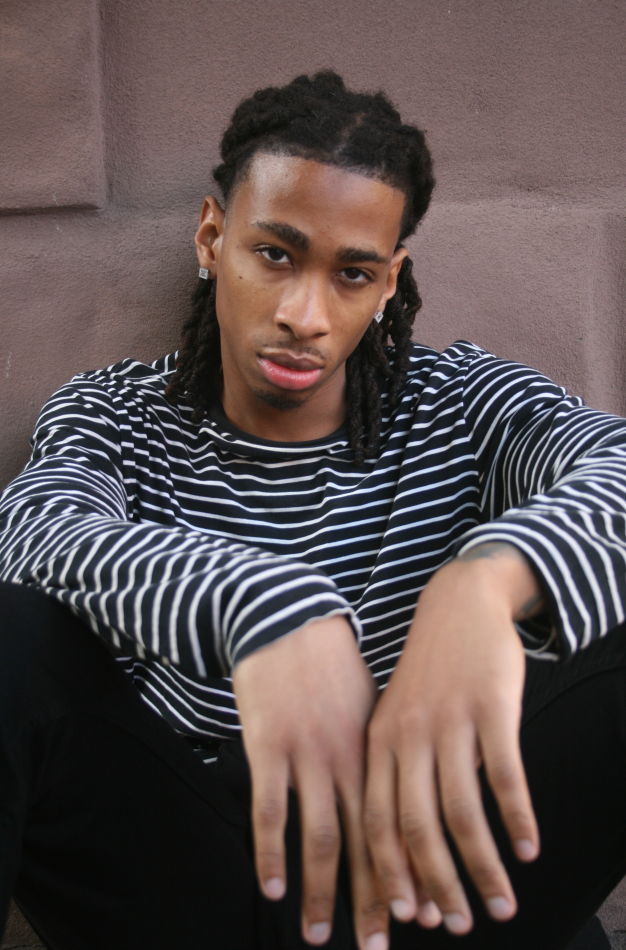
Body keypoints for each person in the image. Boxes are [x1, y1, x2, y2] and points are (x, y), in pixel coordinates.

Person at [0, 70, 624, 950]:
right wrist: (258, 603)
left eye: (352, 274)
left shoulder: (459, 404)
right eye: (276, 255)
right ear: (213, 236)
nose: (306, 315)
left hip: (424, 880)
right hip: (194, 879)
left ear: (388, 283)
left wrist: (487, 583)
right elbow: (35, 536)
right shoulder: (114, 414)